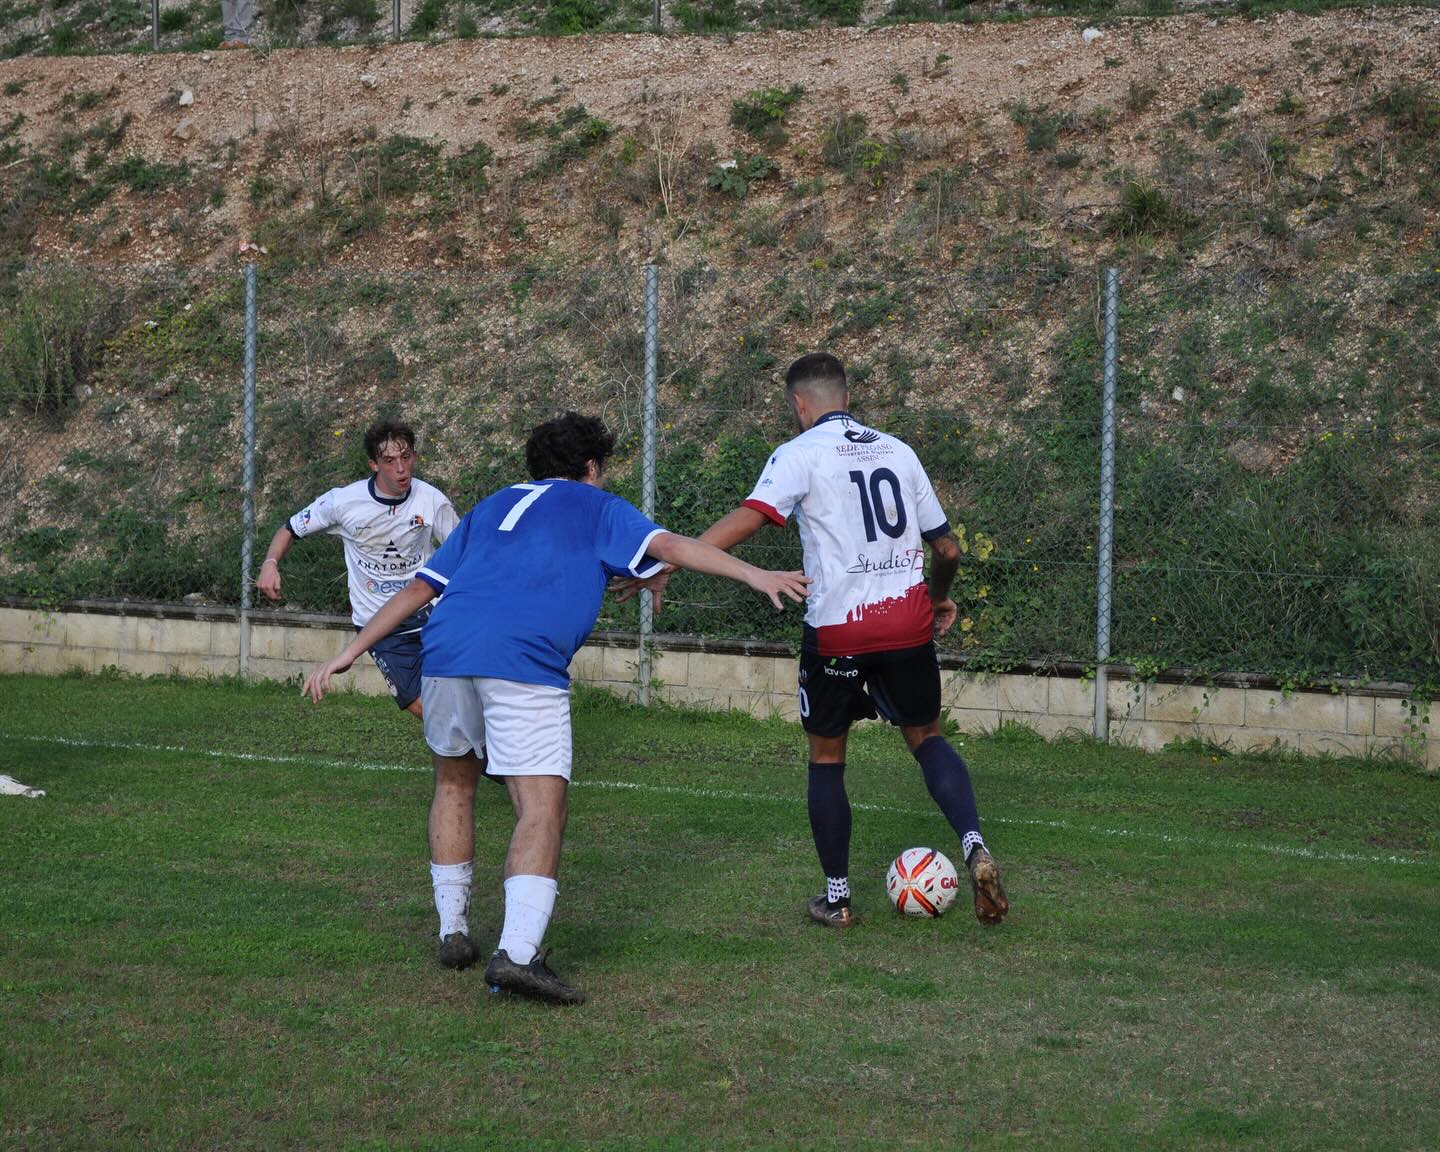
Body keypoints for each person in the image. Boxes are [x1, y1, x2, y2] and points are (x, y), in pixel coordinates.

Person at [301, 412, 809, 1004]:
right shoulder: (597, 505)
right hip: (521, 659)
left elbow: (421, 586)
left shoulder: (493, 505)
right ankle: (517, 955)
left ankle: (454, 930)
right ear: (591, 467)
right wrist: (753, 572)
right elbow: (669, 545)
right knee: (543, 804)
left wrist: (349, 651)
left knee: (454, 782)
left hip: (444, 651)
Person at [631, 352, 1008, 928]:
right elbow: (949, 549)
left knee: (827, 759)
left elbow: (751, 517)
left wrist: (673, 563)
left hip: (838, 630)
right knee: (927, 737)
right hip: (907, 623)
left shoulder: (799, 453)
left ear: (799, 405)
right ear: (847, 397)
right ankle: (975, 843)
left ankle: (837, 900)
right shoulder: (898, 451)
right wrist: (936, 597)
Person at [258, 419, 458, 718]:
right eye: (389, 461)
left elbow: (462, 552)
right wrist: (270, 563)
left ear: (414, 456)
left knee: (460, 693)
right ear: (374, 464)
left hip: (432, 612)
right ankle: (476, 754)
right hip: (380, 624)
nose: (401, 468)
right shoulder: (342, 501)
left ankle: (482, 752)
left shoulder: (432, 500)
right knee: (422, 707)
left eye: (406, 457)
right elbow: (289, 529)